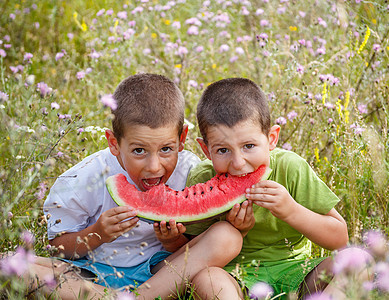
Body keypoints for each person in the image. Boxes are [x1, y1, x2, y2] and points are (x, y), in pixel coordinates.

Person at [21, 73, 243, 299]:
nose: (154, 167)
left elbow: (191, 244)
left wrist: (172, 240)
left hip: (162, 272)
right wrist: (97, 233)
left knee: (227, 236)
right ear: (114, 143)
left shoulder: (191, 171)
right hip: (91, 273)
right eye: (139, 151)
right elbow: (58, 245)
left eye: (166, 149)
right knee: (10, 267)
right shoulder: (82, 178)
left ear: (182, 138)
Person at [183, 77, 356, 299]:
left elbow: (340, 238)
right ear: (206, 150)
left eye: (249, 146)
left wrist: (291, 211)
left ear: (272, 138)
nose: (238, 163)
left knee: (357, 262)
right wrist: (230, 228)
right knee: (206, 280)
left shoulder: (290, 168)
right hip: (235, 278)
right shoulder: (202, 180)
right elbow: (190, 253)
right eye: (223, 150)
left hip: (299, 276)